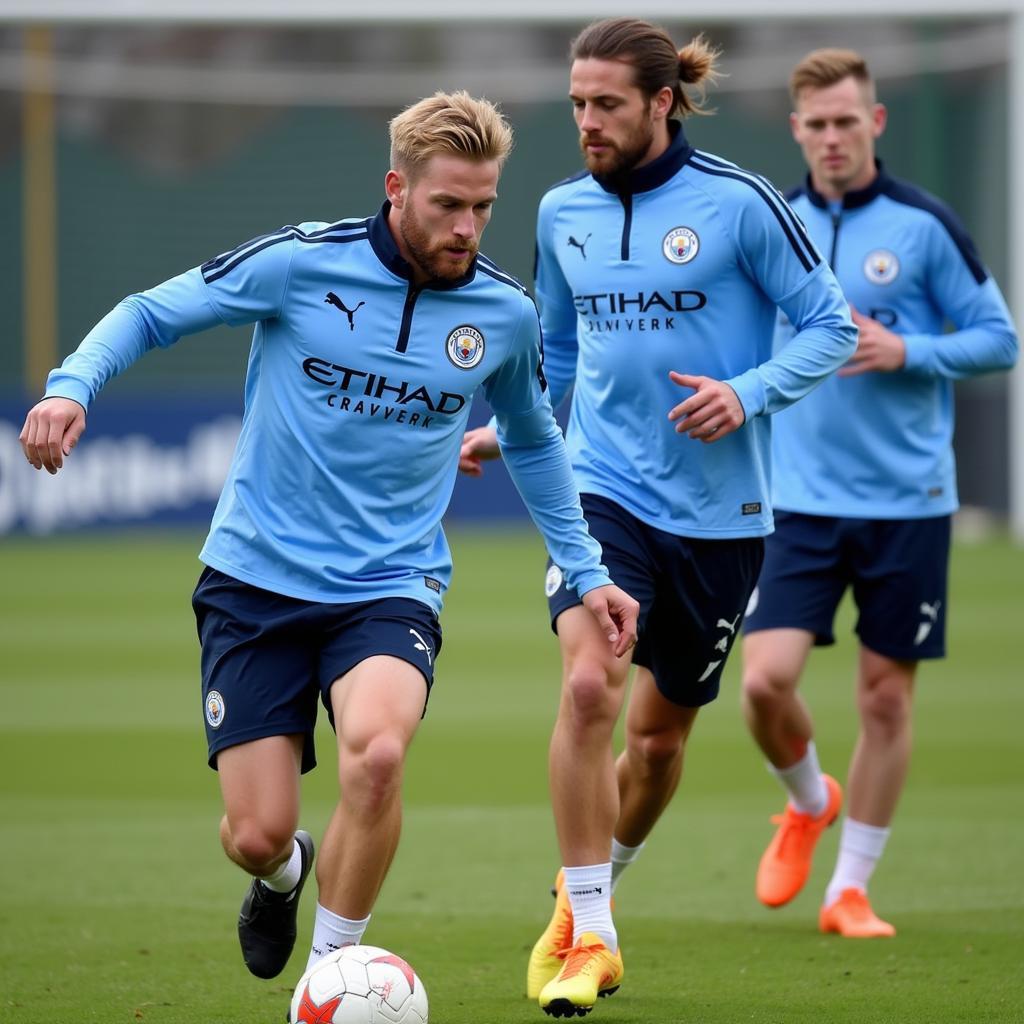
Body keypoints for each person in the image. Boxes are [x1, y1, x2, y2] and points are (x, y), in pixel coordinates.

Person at [19, 90, 640, 1012]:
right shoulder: (302, 265)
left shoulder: (504, 316)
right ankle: (282, 874)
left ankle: (328, 972)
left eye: (483, 207)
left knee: (378, 755)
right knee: (254, 833)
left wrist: (586, 571)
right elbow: (152, 311)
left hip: (391, 585)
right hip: (253, 581)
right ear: (397, 188)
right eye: (448, 206)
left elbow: (537, 441)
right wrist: (72, 389)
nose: (468, 227)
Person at [459, 19, 857, 1017]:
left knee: (659, 743)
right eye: (578, 102)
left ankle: (583, 894)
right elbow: (553, 349)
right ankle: (592, 932)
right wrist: (518, 430)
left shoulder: (738, 204)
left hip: (723, 517)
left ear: (661, 102)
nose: (586, 121)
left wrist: (747, 392)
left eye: (607, 104)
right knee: (590, 683)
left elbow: (831, 327)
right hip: (600, 492)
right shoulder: (559, 212)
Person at [738, 48, 1018, 938]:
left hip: (909, 501)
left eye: (845, 122)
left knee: (886, 700)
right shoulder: (773, 223)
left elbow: (998, 339)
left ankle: (849, 889)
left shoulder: (923, 226)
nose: (830, 138)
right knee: (763, 685)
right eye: (815, 124)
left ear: (876, 123)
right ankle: (806, 798)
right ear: (796, 131)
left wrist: (909, 352)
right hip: (797, 500)